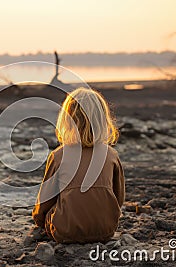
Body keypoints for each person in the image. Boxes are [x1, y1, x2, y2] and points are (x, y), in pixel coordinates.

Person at [32, 87, 125, 244]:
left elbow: (44, 203)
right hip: (106, 230)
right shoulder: (111, 155)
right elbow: (119, 198)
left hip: (66, 232)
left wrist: (40, 221)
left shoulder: (58, 155)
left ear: (67, 120)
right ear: (103, 120)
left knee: (52, 212)